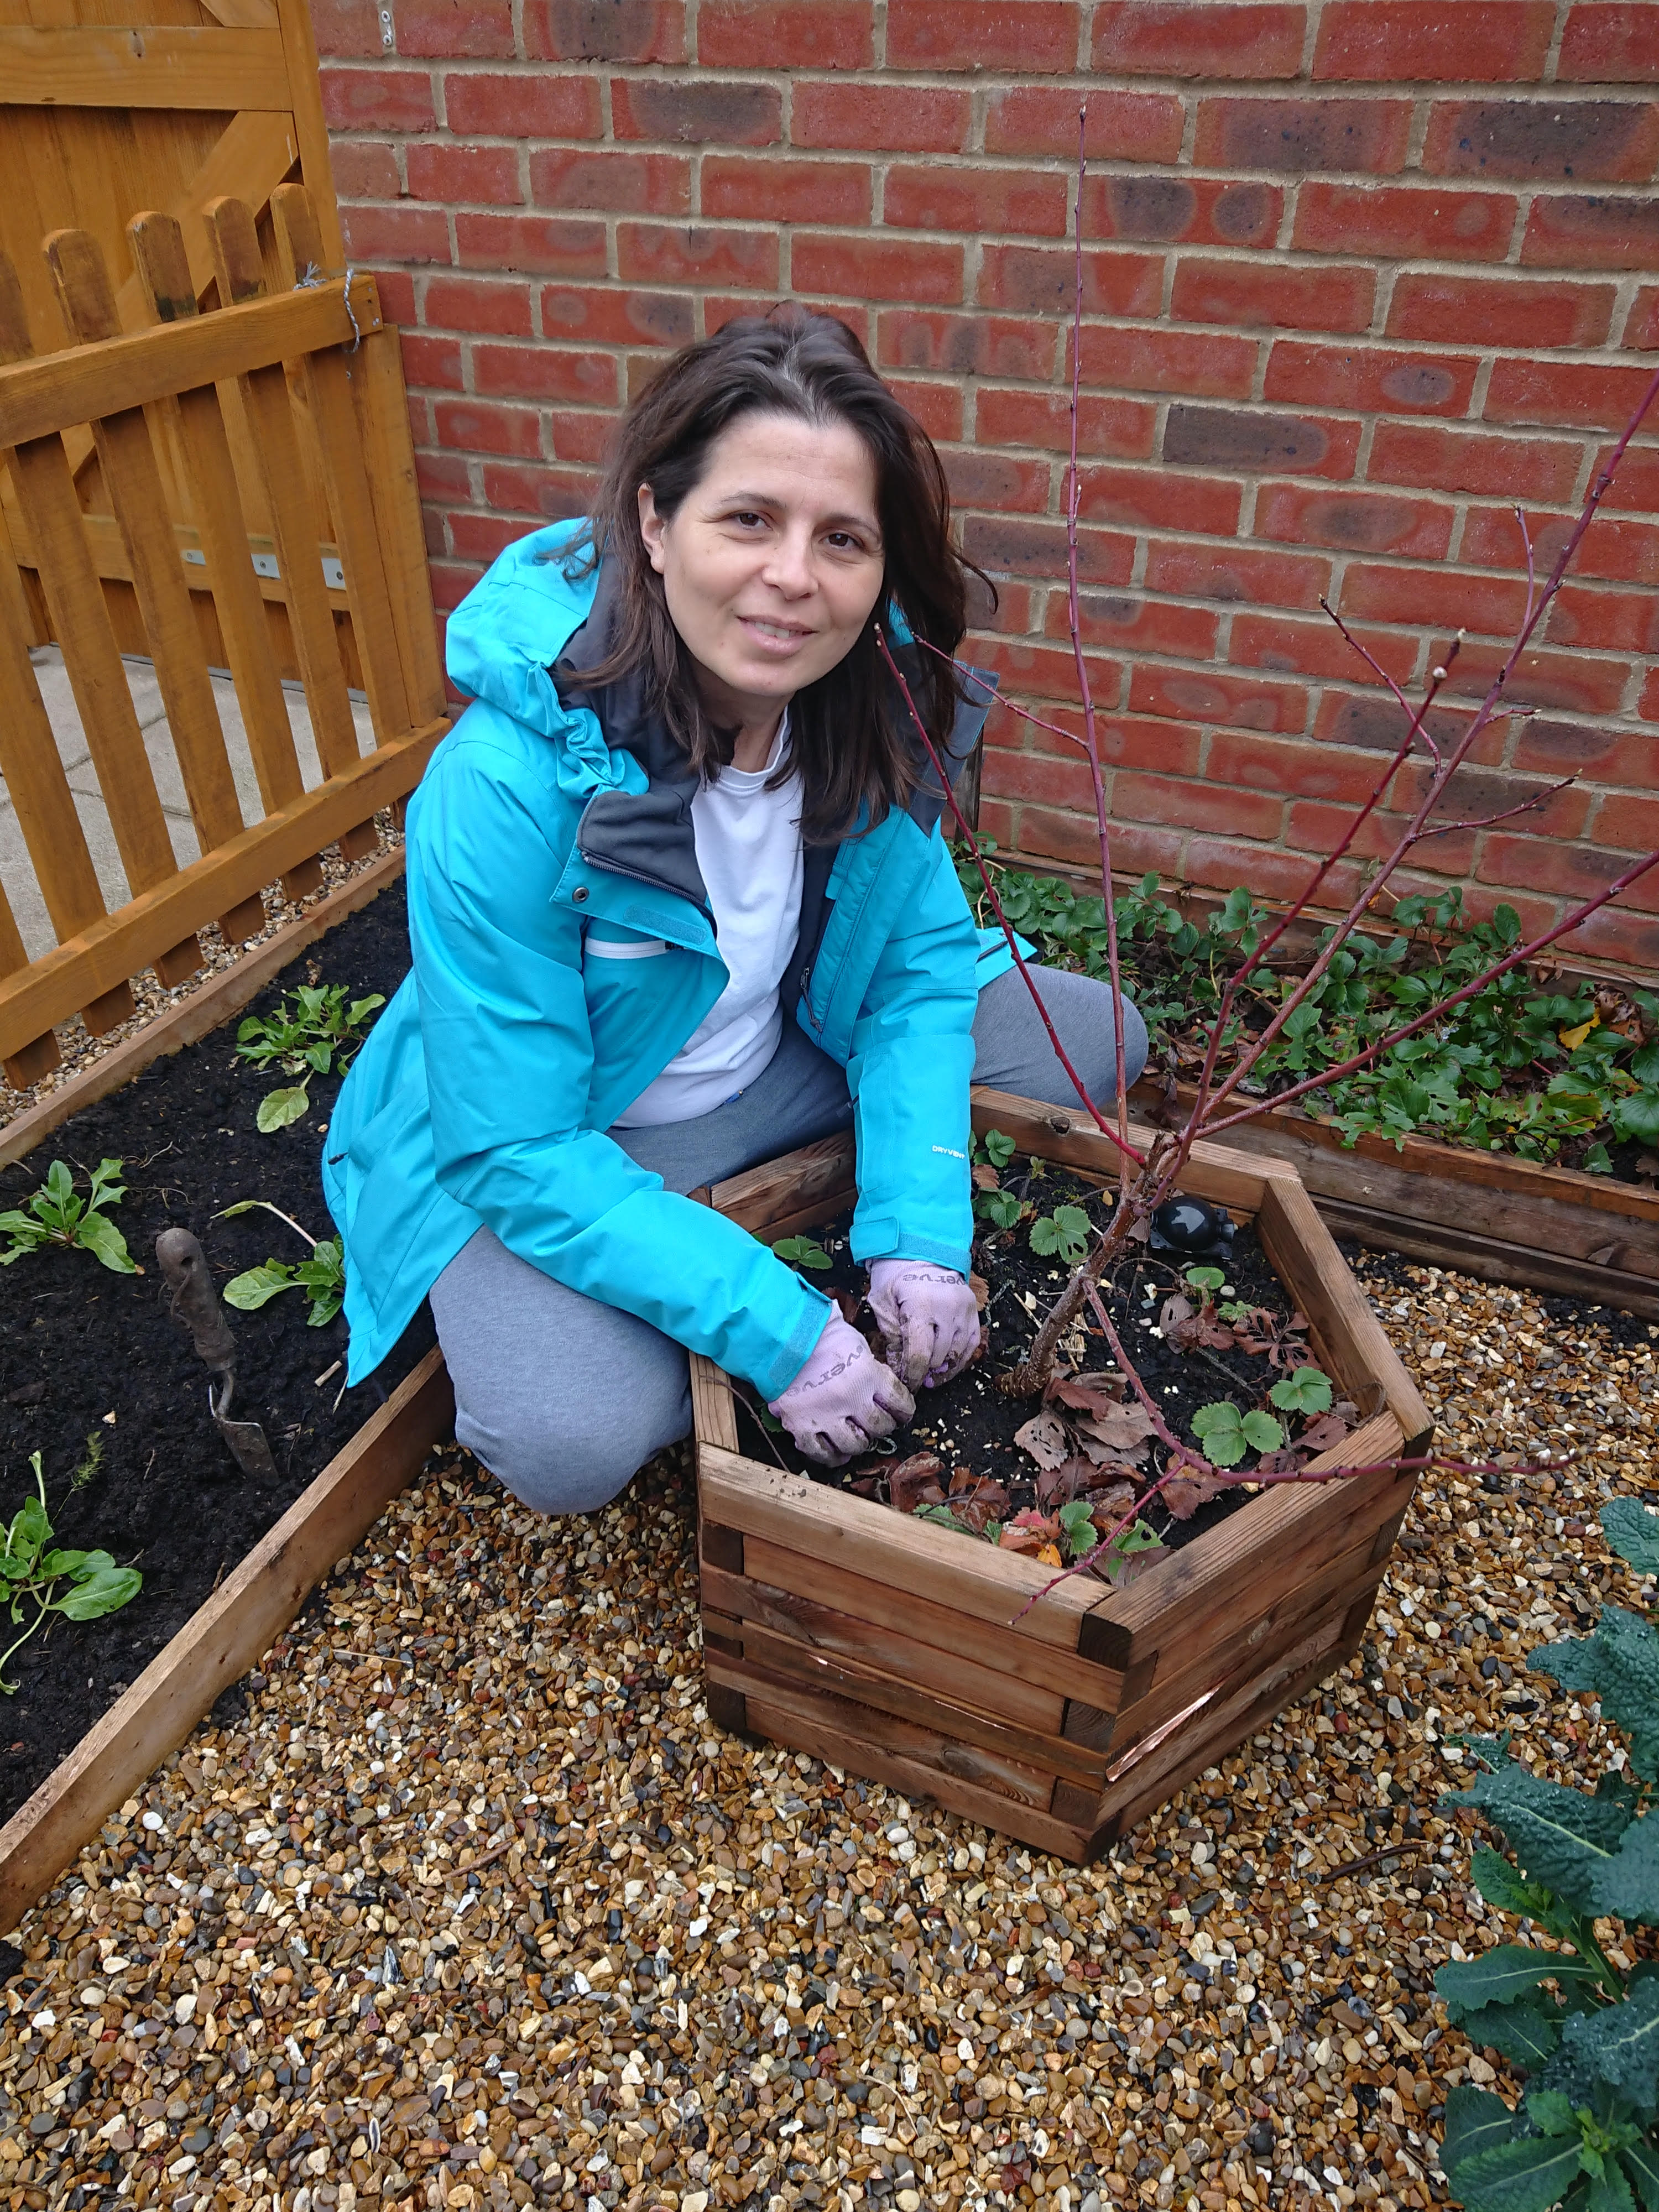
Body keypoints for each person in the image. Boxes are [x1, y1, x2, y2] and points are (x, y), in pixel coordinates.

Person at [323, 306, 1146, 1513]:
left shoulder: (864, 707)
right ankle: (698, 1239)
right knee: (571, 1443)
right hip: (584, 1122)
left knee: (1098, 1040)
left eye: (843, 539)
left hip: (784, 1046)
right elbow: (515, 1141)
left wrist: (919, 1228)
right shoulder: (505, 782)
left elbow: (917, 968)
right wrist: (784, 1330)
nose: (793, 578)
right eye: (749, 520)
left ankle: (754, 1206)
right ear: (656, 524)